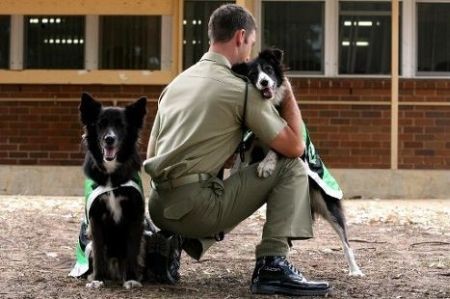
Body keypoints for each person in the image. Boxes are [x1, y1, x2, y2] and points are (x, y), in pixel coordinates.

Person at [144, 4, 331, 297]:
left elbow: (152, 152)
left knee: (221, 178)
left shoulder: (176, 84)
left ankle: (167, 245)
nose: (250, 53)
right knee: (291, 166)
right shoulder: (241, 89)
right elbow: (294, 146)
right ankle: (272, 264)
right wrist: (289, 91)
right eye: (251, 44)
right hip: (197, 209)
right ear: (241, 36)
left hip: (157, 206)